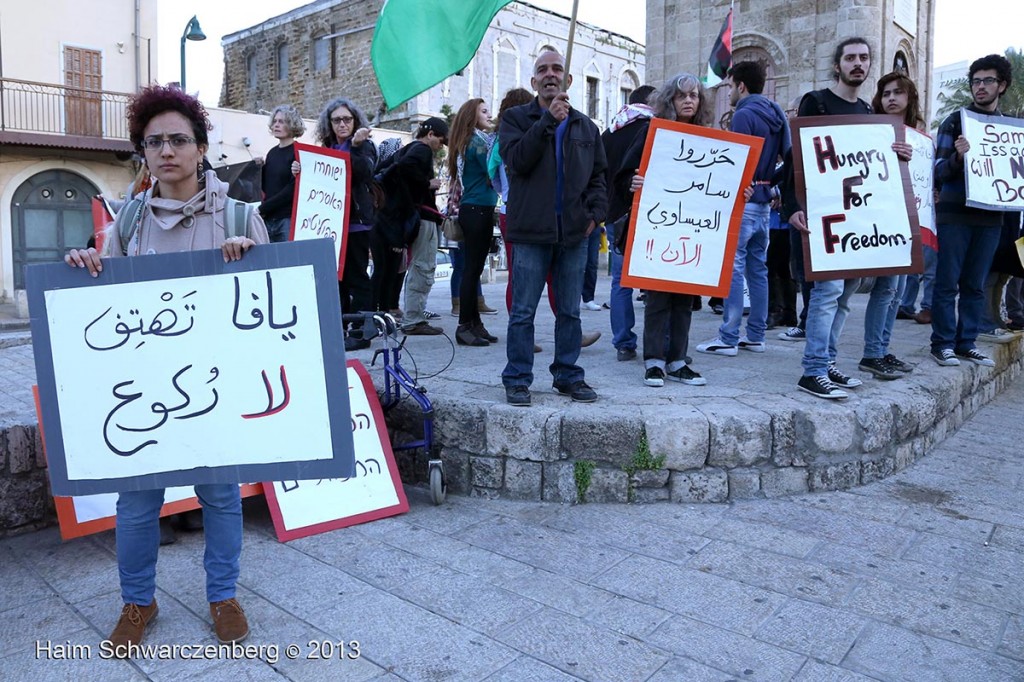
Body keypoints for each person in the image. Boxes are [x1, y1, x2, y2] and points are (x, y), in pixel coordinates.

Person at [64, 84, 268, 654]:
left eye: (179, 139)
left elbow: (271, 308)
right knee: (136, 504)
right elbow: (105, 296)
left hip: (215, 387)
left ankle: (223, 596)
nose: (167, 150)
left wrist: (247, 260)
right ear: (144, 153)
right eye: (154, 142)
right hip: (143, 388)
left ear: (202, 147)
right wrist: (87, 265)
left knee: (221, 497)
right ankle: (138, 602)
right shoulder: (126, 220)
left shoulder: (241, 214)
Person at [499, 49, 608, 406]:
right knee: (524, 311)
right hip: (531, 232)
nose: (550, 75)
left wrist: (595, 215)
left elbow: (598, 177)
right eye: (542, 70)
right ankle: (517, 377)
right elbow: (516, 162)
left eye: (557, 69)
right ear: (533, 82)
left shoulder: (586, 127)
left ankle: (567, 374)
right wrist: (547, 122)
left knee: (570, 311)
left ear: (568, 80)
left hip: (575, 234)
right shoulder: (515, 118)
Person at [786, 37, 874, 399]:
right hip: (823, 216)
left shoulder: (869, 112)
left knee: (845, 295)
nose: (858, 64)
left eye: (864, 58)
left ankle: (827, 362)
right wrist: (792, 205)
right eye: (850, 58)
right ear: (837, 65)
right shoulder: (816, 102)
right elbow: (797, 158)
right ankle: (814, 370)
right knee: (827, 292)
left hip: (857, 216)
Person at [619, 73, 710, 388]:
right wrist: (633, 182)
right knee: (657, 297)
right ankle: (654, 362)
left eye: (694, 95)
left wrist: (742, 193)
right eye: (681, 95)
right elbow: (625, 172)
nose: (688, 100)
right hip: (658, 227)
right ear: (670, 100)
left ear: (700, 102)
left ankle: (677, 361)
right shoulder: (651, 133)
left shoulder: (710, 140)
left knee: (685, 298)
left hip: (693, 229)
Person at [697, 60, 790, 359]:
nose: (729, 90)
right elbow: (789, 159)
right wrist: (769, 184)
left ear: (741, 85)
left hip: (744, 200)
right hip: (763, 203)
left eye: (730, 84)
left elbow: (736, 161)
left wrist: (750, 184)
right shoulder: (777, 113)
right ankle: (756, 335)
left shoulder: (743, 114)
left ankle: (728, 337)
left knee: (734, 268)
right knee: (758, 270)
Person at [931, 53, 1019, 367]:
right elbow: (939, 172)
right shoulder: (955, 121)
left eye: (988, 81)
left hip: (991, 217)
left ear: (1003, 85)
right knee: (947, 282)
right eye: (976, 81)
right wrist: (957, 158)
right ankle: (942, 343)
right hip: (955, 215)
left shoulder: (1010, 129)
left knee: (975, 283)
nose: (980, 87)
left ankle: (966, 342)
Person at [293, 98, 378, 350]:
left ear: (355, 121)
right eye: (337, 120)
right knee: (335, 280)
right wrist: (300, 169)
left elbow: (365, 173)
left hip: (355, 226)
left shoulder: (363, 145)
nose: (342, 124)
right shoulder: (327, 149)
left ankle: (362, 332)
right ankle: (337, 329)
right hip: (330, 227)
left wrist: (357, 145)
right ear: (329, 124)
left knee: (357, 278)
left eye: (347, 119)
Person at [857, 72, 924, 379]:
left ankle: (882, 350)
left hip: (904, 220)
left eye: (898, 92)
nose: (892, 98)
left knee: (895, 291)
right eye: (885, 93)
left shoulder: (918, 137)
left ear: (909, 98)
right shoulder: (871, 132)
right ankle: (872, 353)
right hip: (879, 220)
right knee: (884, 289)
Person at [601, 84, 656, 362]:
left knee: (621, 282)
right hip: (652, 215)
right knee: (658, 282)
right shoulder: (657, 130)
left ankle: (624, 342)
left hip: (615, 215)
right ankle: (660, 343)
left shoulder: (610, 132)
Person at [447, 98, 499, 346]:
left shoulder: (471, 140)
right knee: (472, 269)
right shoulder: (477, 142)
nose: (490, 114)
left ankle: (475, 323)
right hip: (477, 209)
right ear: (472, 115)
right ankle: (465, 326)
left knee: (473, 269)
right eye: (484, 111)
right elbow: (492, 171)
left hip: (477, 208)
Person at [259, 105, 304, 244]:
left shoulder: (299, 152)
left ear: (292, 125)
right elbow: (266, 186)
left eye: (282, 122)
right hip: (267, 218)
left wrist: (263, 208)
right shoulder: (272, 153)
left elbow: (292, 189)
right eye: (275, 121)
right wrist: (257, 168)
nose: (276, 125)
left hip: (287, 218)